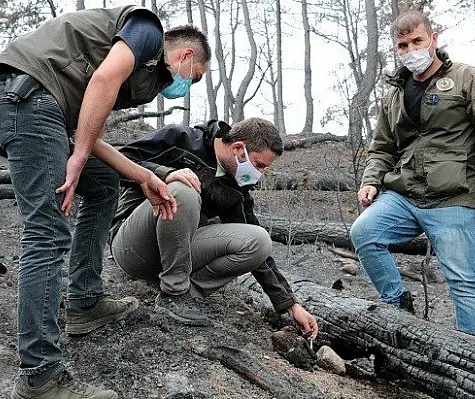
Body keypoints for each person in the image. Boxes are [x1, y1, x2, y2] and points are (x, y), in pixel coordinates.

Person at [0, 5, 210, 399]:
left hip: (28, 106)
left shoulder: (134, 74)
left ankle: (84, 302)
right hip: (26, 102)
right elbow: (103, 80)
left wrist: (145, 176)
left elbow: (91, 132)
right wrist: (78, 154)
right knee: (46, 234)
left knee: (104, 183)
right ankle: (41, 376)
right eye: (197, 77)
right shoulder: (146, 33)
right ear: (186, 55)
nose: (189, 85)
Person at [349, 10, 475, 338]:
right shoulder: (394, 93)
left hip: (454, 197)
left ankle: (473, 360)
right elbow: (382, 147)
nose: (411, 51)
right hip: (405, 193)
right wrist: (370, 180)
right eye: (403, 45)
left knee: (462, 283)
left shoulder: (467, 78)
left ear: (433, 40)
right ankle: (397, 305)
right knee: (364, 232)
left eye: (417, 41)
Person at [108, 118, 319, 338]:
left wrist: (289, 304)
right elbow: (118, 161)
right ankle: (174, 294)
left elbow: (257, 247)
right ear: (238, 149)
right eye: (258, 165)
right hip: (132, 246)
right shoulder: (181, 139)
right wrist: (164, 174)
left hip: (175, 256)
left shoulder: (237, 184)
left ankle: (185, 293)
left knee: (260, 241)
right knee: (183, 189)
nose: (259, 173)